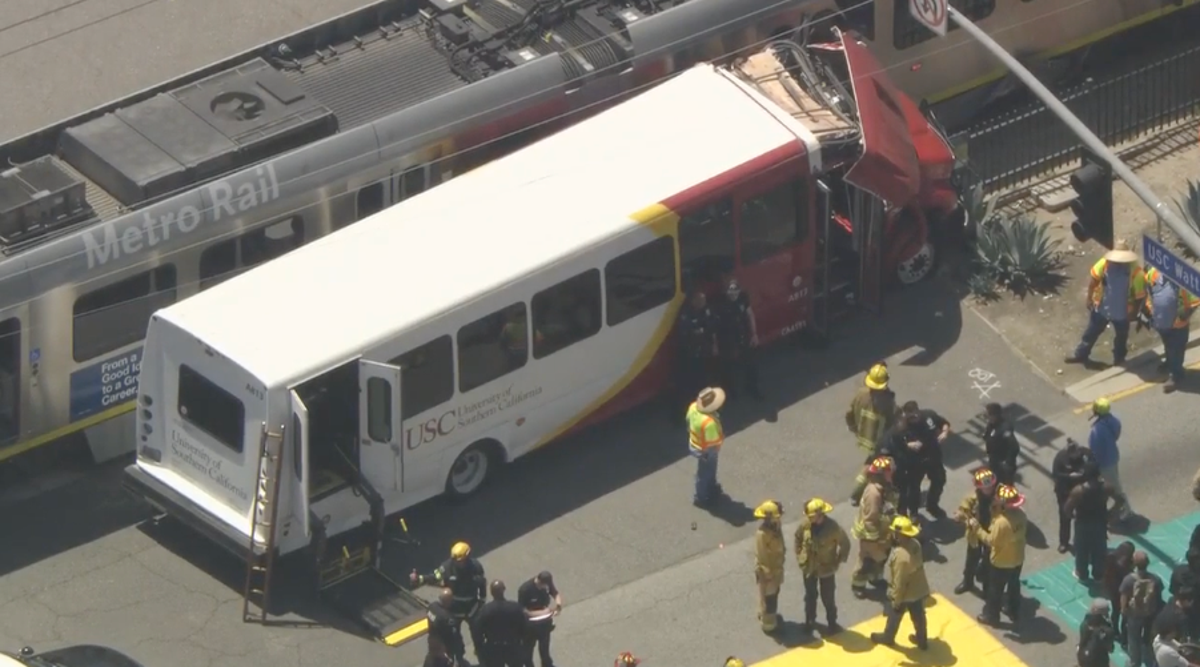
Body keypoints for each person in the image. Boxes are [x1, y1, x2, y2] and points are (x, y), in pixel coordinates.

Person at [1065, 241, 1146, 367]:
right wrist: (1089, 298)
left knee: (1121, 338)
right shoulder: (1105, 263)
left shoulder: (1136, 272)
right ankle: (1081, 354)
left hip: (1123, 312)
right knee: (1091, 332)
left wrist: (1133, 312)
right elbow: (1094, 280)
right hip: (1102, 306)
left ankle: (1119, 360)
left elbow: (1139, 297)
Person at [412, 542, 487, 660]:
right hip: (454, 610)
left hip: (472, 608)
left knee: (478, 633)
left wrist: (482, 600)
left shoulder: (476, 566)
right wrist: (419, 579)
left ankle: (481, 653)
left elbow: (482, 582)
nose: (459, 563)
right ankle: (459, 656)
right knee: (455, 637)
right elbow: (434, 577)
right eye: (456, 561)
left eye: (461, 560)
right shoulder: (446, 567)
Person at [869, 515, 929, 650]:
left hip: (905, 594)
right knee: (919, 616)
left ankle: (888, 637)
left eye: (896, 533)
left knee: (894, 617)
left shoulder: (901, 556)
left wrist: (896, 601)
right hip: (918, 588)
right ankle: (922, 640)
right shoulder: (915, 545)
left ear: (900, 535)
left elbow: (899, 581)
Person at [971, 483, 1028, 626]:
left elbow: (991, 541)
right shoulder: (1021, 515)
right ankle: (1013, 611)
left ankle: (992, 616)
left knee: (995, 590)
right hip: (1018, 558)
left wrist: (976, 528)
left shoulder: (1002, 523)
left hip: (1002, 562)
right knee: (1014, 585)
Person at [794, 497, 850, 634]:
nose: (810, 519)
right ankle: (809, 621)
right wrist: (800, 555)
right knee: (810, 596)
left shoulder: (833, 528)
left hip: (827, 568)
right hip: (809, 568)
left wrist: (838, 560)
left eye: (812, 516)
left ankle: (832, 622)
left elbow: (845, 543)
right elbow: (798, 538)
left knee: (828, 597)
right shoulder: (805, 525)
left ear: (820, 515)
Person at [847, 363, 900, 505]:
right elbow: (895, 422)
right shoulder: (888, 402)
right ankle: (856, 495)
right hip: (880, 442)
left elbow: (849, 415)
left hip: (863, 438)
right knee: (872, 467)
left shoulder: (860, 394)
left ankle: (857, 494)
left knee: (872, 462)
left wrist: (855, 430)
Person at [1144, 265, 1199, 393]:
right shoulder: (1153, 274)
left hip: (1178, 325)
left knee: (1177, 349)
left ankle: (1177, 375)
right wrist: (1151, 310)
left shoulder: (1183, 279)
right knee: (1168, 346)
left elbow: (1194, 302)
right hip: (1161, 322)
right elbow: (1148, 291)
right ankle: (1170, 363)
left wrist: (1182, 318)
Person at [1065, 462, 1123, 582]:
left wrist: (1073, 515)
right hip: (1099, 523)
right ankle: (1098, 574)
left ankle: (1082, 573)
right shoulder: (1107, 487)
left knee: (1081, 551)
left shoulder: (1078, 491)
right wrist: (1110, 514)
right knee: (1099, 549)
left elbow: (1067, 509)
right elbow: (1120, 500)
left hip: (1082, 524)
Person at [851, 456, 898, 599]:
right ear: (882, 474)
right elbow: (870, 518)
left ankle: (875, 578)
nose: (892, 473)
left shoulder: (884, 487)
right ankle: (858, 584)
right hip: (871, 535)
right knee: (867, 560)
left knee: (880, 558)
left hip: (883, 532)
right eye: (889, 471)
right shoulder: (874, 493)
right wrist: (874, 539)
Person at [899, 401, 952, 518]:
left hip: (933, 457)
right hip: (915, 462)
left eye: (916, 414)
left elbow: (944, 423)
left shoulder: (929, 416)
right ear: (906, 415)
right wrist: (908, 445)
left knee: (939, 481)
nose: (915, 418)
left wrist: (945, 432)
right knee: (913, 488)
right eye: (911, 416)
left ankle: (932, 505)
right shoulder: (902, 426)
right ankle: (913, 513)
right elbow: (895, 443)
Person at [713, 277, 762, 400]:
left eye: (736, 290)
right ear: (726, 291)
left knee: (751, 364)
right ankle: (729, 392)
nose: (734, 293)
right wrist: (715, 344)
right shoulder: (720, 303)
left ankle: (752, 388)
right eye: (731, 290)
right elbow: (714, 326)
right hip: (727, 339)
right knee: (728, 368)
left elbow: (750, 314)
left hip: (743, 335)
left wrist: (754, 334)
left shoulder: (743, 297)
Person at [954, 468, 998, 595]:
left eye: (990, 486)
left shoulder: (998, 497)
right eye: (986, 487)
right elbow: (963, 509)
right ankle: (968, 582)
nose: (989, 489)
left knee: (989, 561)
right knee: (971, 559)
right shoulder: (972, 498)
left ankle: (987, 586)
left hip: (991, 534)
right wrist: (959, 516)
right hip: (975, 533)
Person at [1088, 398, 1132, 521]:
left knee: (1115, 487)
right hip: (1113, 456)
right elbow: (1116, 435)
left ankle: (1126, 509)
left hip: (1104, 463)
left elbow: (1095, 450)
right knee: (1114, 482)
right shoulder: (1114, 421)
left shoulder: (1097, 430)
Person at [676, 290, 718, 414]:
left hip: (705, 353)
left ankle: (708, 406)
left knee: (706, 382)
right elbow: (686, 336)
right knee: (690, 386)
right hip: (691, 356)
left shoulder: (706, 311)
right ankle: (688, 412)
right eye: (701, 301)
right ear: (694, 301)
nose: (703, 303)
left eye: (704, 300)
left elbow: (711, 329)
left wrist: (714, 346)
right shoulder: (686, 315)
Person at [1120, 551, 1165, 667]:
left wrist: (1124, 612)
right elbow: (1159, 597)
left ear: (1134, 564)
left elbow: (1123, 601)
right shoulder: (1155, 579)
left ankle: (1135, 663)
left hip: (1134, 615)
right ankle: (1151, 661)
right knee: (1149, 638)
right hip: (1150, 613)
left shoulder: (1128, 580)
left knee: (1134, 640)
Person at [687, 387, 726, 507]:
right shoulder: (709, 423)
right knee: (705, 472)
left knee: (706, 470)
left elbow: (688, 421)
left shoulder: (693, 407)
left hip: (695, 444)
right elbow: (713, 441)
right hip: (706, 450)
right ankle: (701, 497)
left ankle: (710, 487)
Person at [1053, 439, 1094, 553]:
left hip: (1081, 491)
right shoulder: (1061, 458)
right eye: (1073, 454)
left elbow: (1094, 466)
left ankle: (1083, 541)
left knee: (1083, 516)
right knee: (1065, 517)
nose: (1076, 456)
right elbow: (1056, 475)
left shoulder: (1085, 454)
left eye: (1077, 453)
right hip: (1064, 491)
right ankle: (1064, 542)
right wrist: (1070, 476)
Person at [475, 580, 527, 667]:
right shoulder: (515, 607)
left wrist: (480, 647)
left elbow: (478, 630)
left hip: (493, 647)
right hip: (513, 645)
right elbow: (524, 626)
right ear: (504, 590)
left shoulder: (486, 610)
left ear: (491, 592)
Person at [753, 500, 786, 633]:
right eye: (776, 517)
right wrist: (768, 575)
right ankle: (768, 625)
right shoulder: (762, 534)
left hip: (776, 568)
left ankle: (768, 615)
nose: (779, 519)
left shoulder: (776, 527)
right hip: (768, 572)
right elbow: (762, 557)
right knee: (768, 597)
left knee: (774, 593)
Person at [518, 571, 562, 667]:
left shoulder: (547, 583)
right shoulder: (525, 589)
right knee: (528, 650)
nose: (545, 588)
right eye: (544, 586)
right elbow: (523, 610)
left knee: (544, 649)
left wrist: (558, 605)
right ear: (540, 581)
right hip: (530, 625)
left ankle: (547, 664)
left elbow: (555, 593)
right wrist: (543, 612)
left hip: (544, 623)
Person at [1103, 541, 1136, 640]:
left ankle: (1115, 629)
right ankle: (1123, 632)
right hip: (1123, 592)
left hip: (1112, 590)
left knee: (1115, 611)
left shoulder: (1111, 558)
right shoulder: (1125, 565)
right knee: (1125, 613)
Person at [981, 403, 1020, 485]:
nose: (986, 417)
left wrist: (1007, 463)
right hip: (994, 461)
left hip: (1002, 464)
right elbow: (988, 435)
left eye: (987, 415)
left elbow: (1014, 447)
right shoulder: (991, 425)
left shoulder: (1004, 428)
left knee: (1006, 487)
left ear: (994, 415)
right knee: (991, 484)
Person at [426, 589, 465, 666]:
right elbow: (454, 636)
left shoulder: (432, 607)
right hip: (444, 647)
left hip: (433, 642)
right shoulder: (446, 618)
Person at [1077, 598, 1117, 667]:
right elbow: (1110, 649)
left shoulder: (1084, 623)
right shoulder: (1107, 630)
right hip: (1099, 661)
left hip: (1083, 655)